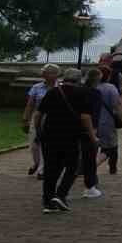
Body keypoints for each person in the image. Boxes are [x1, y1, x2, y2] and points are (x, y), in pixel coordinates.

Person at [34, 67, 98, 214]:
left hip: (49, 136)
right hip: (71, 136)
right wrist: (92, 136)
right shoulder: (81, 93)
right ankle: (61, 194)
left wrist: (38, 131)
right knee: (72, 167)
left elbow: (38, 114)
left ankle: (48, 201)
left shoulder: (53, 92)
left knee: (51, 168)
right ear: (79, 79)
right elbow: (85, 117)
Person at [79, 68, 108, 199]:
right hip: (88, 129)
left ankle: (61, 190)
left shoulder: (78, 90)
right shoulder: (95, 93)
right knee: (89, 159)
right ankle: (90, 187)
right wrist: (93, 132)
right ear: (98, 79)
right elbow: (92, 115)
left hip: (73, 128)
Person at [93, 65, 122, 179]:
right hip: (106, 122)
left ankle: (111, 166)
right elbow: (117, 106)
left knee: (92, 147)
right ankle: (93, 166)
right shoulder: (110, 88)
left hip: (91, 121)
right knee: (110, 148)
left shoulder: (90, 87)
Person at [22, 70, 51, 177]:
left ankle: (42, 170)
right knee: (34, 143)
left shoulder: (59, 87)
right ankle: (37, 163)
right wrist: (25, 119)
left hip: (52, 118)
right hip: (37, 116)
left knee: (46, 144)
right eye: (47, 72)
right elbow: (30, 104)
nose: (48, 75)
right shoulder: (36, 87)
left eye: (52, 73)